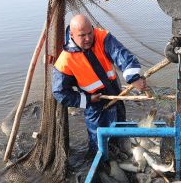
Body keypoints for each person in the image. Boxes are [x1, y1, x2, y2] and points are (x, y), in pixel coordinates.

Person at [52, 14, 147, 153]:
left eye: (90, 32)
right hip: (95, 106)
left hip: (115, 95)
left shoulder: (101, 36)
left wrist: (134, 78)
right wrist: (87, 99)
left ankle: (121, 153)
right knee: (98, 145)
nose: (88, 38)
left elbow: (121, 54)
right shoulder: (65, 60)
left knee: (121, 133)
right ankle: (102, 163)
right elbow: (59, 92)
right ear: (72, 35)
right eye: (82, 35)